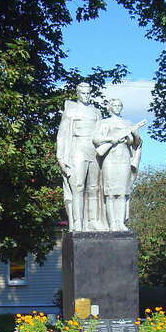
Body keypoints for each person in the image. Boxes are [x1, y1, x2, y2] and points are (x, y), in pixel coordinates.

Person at [56, 82, 104, 231]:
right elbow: (62, 136)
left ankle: (94, 220)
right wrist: (61, 158)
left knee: (94, 187)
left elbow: (103, 133)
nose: (86, 96)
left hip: (94, 151)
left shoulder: (96, 112)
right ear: (77, 93)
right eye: (83, 93)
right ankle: (78, 221)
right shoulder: (71, 111)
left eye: (89, 93)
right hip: (77, 150)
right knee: (78, 187)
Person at [93, 99, 144, 231]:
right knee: (110, 193)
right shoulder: (104, 123)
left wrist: (136, 134)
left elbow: (136, 143)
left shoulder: (127, 123)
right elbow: (96, 138)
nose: (117, 108)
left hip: (124, 159)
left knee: (122, 192)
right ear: (109, 108)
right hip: (110, 159)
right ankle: (112, 223)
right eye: (114, 106)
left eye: (119, 106)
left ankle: (120, 222)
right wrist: (111, 139)